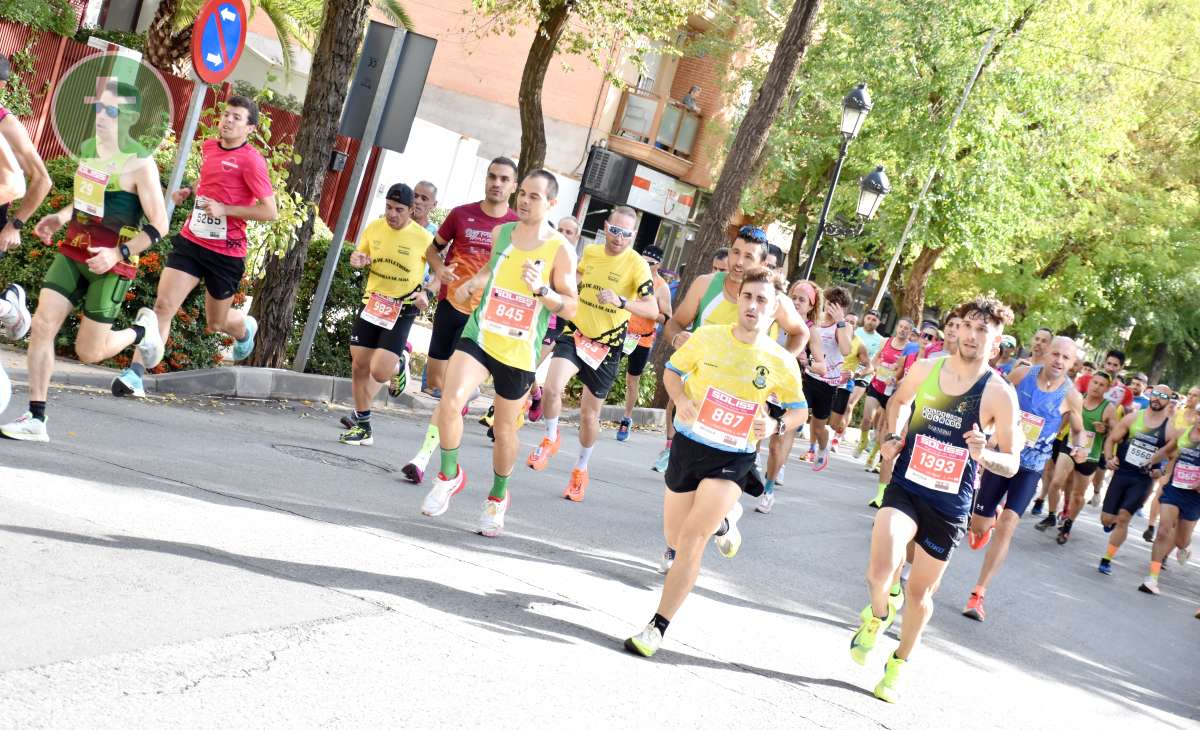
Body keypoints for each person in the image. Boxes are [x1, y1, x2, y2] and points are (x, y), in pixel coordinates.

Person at [623, 267, 808, 658]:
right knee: (674, 538)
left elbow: (799, 412)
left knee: (692, 541)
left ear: (775, 309)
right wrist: (684, 400)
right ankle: (725, 521)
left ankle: (657, 627)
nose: (753, 305)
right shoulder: (707, 338)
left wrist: (775, 422)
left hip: (734, 456)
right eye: (748, 297)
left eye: (762, 300)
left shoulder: (779, 361)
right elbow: (673, 373)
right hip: (690, 446)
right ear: (737, 300)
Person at [849, 296, 1019, 704]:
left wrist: (985, 454)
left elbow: (1012, 462)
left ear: (996, 343)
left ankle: (899, 664)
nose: (973, 337)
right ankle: (877, 614)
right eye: (968, 327)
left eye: (984, 331)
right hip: (908, 484)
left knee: (920, 594)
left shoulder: (998, 393)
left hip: (950, 502)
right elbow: (900, 400)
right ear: (957, 329)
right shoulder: (926, 368)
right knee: (880, 569)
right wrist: (893, 437)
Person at [2, 80, 168, 442]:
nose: (102, 117)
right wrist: (59, 218)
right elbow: (86, 199)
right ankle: (35, 417)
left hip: (111, 265)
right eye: (99, 108)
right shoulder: (91, 149)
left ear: (131, 118)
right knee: (43, 326)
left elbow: (160, 225)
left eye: (112, 111)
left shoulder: (141, 164)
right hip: (73, 250)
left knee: (89, 352)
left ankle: (142, 332)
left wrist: (118, 253)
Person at [417, 169, 577, 537]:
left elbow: (570, 308)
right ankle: (448, 475)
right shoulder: (502, 232)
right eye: (522, 193)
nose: (523, 200)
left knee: (504, 430)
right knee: (451, 401)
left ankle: (497, 498)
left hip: (519, 350)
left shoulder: (560, 250)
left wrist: (541, 291)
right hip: (481, 334)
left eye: (534, 197)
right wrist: (470, 283)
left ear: (551, 203)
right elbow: (492, 270)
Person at [111, 95, 276, 398]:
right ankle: (135, 375)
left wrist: (225, 210)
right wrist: (190, 192)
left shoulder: (252, 161)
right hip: (192, 241)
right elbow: (211, 184)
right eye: (226, 114)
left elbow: (269, 211)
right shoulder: (210, 147)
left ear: (250, 128)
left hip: (226, 253)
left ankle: (243, 327)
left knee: (216, 323)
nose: (227, 120)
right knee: (163, 306)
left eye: (236, 117)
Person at [653, 227, 809, 475]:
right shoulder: (705, 285)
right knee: (679, 393)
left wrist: (780, 366)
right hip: (702, 384)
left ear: (761, 264)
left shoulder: (775, 301)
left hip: (745, 394)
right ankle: (671, 448)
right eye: (736, 252)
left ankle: (735, 484)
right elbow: (674, 324)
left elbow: (801, 333)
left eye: (749, 256)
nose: (738, 261)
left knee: (723, 483)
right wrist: (676, 340)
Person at [528, 206, 657, 501]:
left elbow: (652, 309)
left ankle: (580, 469)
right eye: (614, 230)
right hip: (576, 333)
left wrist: (622, 301)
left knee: (589, 416)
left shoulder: (637, 265)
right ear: (606, 226)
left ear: (633, 235)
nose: (618, 237)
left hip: (607, 346)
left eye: (626, 233)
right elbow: (573, 280)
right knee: (551, 387)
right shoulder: (591, 253)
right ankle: (551, 436)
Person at [962, 336, 1085, 621]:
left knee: (1008, 524)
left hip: (1030, 467)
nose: (1059, 361)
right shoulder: (1022, 374)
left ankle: (978, 594)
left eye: (1066, 358)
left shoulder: (1071, 395)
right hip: (1002, 456)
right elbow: (992, 397)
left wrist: (1079, 446)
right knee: (979, 527)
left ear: (1072, 363)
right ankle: (984, 522)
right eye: (1055, 354)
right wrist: (988, 433)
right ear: (1045, 353)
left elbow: (1078, 429)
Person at [336, 184, 433, 445]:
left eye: (399, 210)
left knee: (379, 373)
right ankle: (363, 425)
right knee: (359, 365)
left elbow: (439, 272)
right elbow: (361, 254)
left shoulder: (423, 238)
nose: (392, 214)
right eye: (389, 207)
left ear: (412, 210)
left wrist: (428, 293)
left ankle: (397, 362)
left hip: (403, 307)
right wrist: (357, 259)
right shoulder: (374, 227)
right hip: (373, 303)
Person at [422, 157, 519, 397]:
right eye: (492, 176)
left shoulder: (517, 225)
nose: (497, 183)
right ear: (486, 179)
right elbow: (432, 250)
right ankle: (460, 399)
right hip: (451, 303)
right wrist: (439, 269)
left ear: (514, 186)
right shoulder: (460, 214)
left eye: (504, 179)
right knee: (435, 380)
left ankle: (453, 410)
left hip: (484, 312)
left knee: (456, 381)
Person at [0, 70, 53, 413]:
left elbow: (41, 180)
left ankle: (11, 308)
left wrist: (14, 225)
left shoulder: (7, 126)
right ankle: (8, 307)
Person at [1097, 384, 1173, 575]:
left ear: (1168, 400)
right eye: (1155, 394)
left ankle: (1107, 558)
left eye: (1163, 396)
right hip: (1122, 473)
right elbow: (1111, 440)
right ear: (1150, 395)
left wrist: (1162, 472)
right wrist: (1108, 458)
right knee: (1107, 519)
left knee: (1124, 517)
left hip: (1143, 480)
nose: (1157, 398)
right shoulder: (1133, 418)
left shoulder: (1169, 428)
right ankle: (1110, 523)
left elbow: (1173, 458)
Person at [1034, 370, 1118, 544]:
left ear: (1107, 389)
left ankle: (1068, 525)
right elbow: (1064, 417)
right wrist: (1052, 436)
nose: (1097, 387)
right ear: (1089, 382)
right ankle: (1050, 516)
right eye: (1095, 382)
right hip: (1070, 445)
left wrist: (1105, 429)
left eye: (1102, 385)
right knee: (1056, 482)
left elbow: (1116, 433)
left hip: (1090, 454)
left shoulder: (1108, 409)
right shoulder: (1077, 399)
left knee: (1078, 495)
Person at [1139, 408, 1200, 594]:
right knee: (1164, 530)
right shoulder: (1184, 433)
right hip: (1175, 489)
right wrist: (1150, 461)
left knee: (1181, 541)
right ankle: (1152, 579)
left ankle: (1183, 548)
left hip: (1195, 496)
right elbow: (1168, 451)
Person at [617, 245, 672, 441]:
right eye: (644, 261)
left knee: (632, 381)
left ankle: (627, 418)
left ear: (659, 265)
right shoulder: (630, 276)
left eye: (651, 263)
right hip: (621, 332)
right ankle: (591, 414)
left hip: (642, 338)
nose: (646, 265)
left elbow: (667, 317)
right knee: (604, 372)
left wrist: (650, 312)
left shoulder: (662, 287)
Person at [800, 286, 854, 472]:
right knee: (797, 414)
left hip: (828, 384)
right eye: (829, 303)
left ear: (843, 309)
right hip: (808, 376)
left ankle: (823, 447)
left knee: (817, 428)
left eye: (835, 306)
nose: (830, 308)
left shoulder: (844, 326)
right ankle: (780, 463)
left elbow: (846, 350)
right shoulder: (815, 321)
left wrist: (840, 321)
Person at [865, 317, 917, 497]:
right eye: (900, 326)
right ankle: (881, 494)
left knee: (895, 437)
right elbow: (899, 370)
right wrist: (893, 376)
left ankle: (890, 482)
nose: (924, 340)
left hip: (911, 402)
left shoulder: (931, 359)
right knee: (881, 428)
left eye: (929, 337)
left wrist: (898, 379)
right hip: (891, 393)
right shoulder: (909, 350)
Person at [1144, 386, 1199, 541]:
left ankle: (1178, 536)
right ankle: (1151, 525)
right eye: (1189, 394)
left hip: (1189, 464)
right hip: (1171, 458)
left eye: (1195, 396)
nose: (1190, 397)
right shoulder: (1178, 412)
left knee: (1182, 511)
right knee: (1161, 489)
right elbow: (1170, 435)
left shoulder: (1197, 419)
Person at [848, 309, 885, 439]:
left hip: (864, 376)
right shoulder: (854, 332)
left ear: (879, 322)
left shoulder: (880, 341)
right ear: (864, 319)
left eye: (874, 320)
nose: (870, 321)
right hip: (846, 371)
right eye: (868, 318)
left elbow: (874, 364)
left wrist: (859, 374)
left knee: (850, 403)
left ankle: (837, 437)